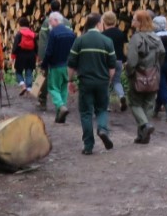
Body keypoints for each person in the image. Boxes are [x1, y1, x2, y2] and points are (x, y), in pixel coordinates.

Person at [68, 12, 117, 154]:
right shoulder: (107, 41)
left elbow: (71, 64)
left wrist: (70, 80)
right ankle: (102, 128)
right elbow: (112, 68)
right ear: (98, 24)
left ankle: (88, 145)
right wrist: (108, 81)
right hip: (102, 82)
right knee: (102, 109)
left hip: (85, 82)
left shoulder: (80, 41)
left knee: (86, 113)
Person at [123, 9, 165, 144]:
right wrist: (156, 68)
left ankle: (145, 126)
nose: (132, 21)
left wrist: (129, 72)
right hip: (153, 75)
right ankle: (143, 136)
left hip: (138, 76)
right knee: (148, 104)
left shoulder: (136, 38)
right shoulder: (156, 37)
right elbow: (162, 53)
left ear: (140, 22)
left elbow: (132, 60)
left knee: (135, 103)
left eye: (134, 19)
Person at [40, 11, 76, 122]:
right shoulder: (71, 33)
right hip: (68, 66)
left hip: (56, 65)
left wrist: (44, 64)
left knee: (53, 88)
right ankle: (59, 117)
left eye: (50, 21)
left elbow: (49, 51)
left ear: (56, 20)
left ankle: (61, 106)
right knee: (63, 89)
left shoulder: (53, 33)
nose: (49, 23)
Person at [101, 11, 130, 112]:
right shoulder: (121, 33)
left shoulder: (103, 35)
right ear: (115, 21)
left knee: (105, 82)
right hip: (118, 60)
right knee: (117, 81)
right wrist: (124, 60)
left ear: (104, 21)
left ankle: (105, 105)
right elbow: (125, 48)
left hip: (106, 61)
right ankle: (121, 95)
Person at [12, 22, 38, 96]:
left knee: (18, 72)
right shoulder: (33, 34)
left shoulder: (19, 34)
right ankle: (29, 90)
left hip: (21, 56)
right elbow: (36, 47)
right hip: (31, 56)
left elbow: (15, 46)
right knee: (29, 73)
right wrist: (36, 56)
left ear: (20, 25)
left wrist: (13, 56)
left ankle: (23, 85)